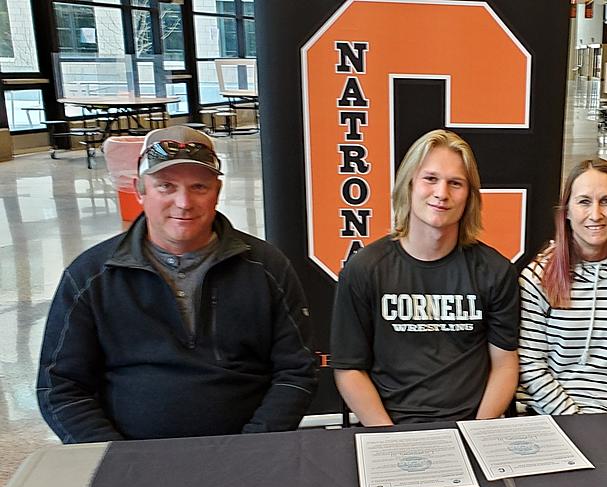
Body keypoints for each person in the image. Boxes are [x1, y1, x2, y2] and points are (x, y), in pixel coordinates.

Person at [37, 126, 317, 443]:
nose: (184, 203)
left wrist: (253, 447)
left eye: (199, 187)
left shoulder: (267, 267)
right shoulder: (90, 275)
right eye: (166, 186)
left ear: (218, 191)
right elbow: (59, 385)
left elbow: (296, 371)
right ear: (139, 190)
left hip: (248, 449)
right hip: (128, 455)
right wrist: (112, 456)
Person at [330, 129, 519, 425]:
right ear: (409, 184)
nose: (442, 194)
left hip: (472, 425)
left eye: (455, 183)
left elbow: (505, 364)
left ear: (469, 196)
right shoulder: (364, 269)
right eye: (430, 179)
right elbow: (349, 369)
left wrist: (479, 431)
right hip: (391, 427)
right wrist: (390, 437)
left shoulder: (495, 271)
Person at [519, 158, 607, 414]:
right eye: (584, 201)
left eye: (606, 201)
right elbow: (531, 363)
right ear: (566, 211)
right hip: (549, 415)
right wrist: (573, 419)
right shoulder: (536, 277)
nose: (595, 214)